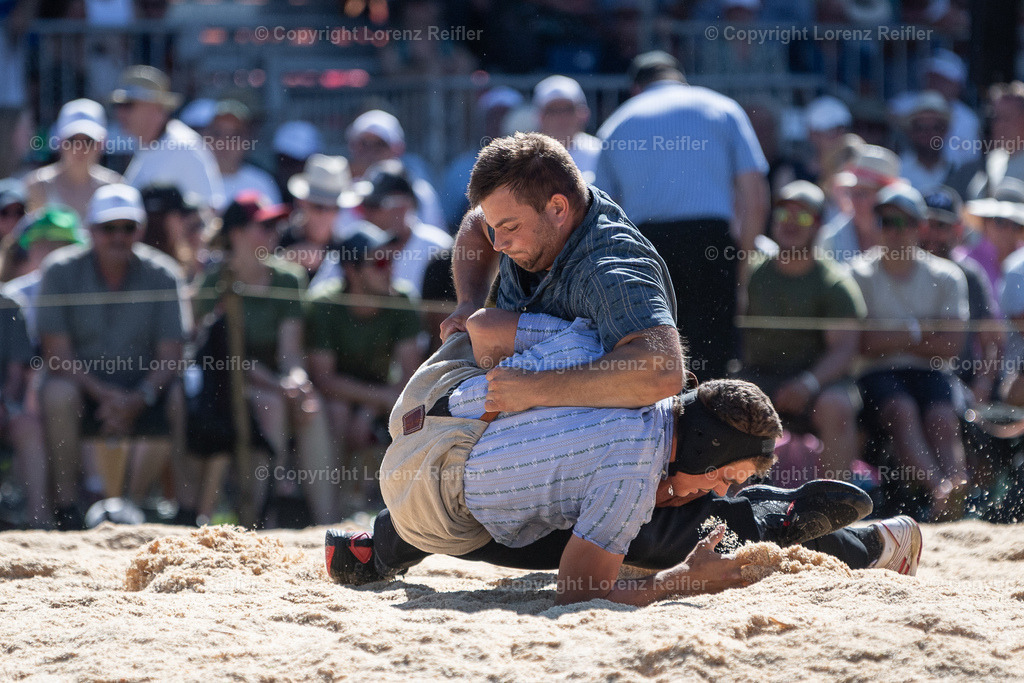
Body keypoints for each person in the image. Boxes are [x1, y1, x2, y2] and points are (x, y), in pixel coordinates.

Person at [325, 312, 924, 605]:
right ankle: (785, 524)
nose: (717, 488)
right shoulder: (632, 471)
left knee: (572, 482)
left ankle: (373, 551)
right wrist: (684, 581)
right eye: (726, 477)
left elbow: (482, 325)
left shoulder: (598, 347)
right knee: (656, 537)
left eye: (732, 483)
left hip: (425, 407)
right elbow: (580, 589)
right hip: (431, 504)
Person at [443, 131, 683, 412]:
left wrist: (534, 389)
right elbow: (476, 224)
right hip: (524, 406)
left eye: (510, 228)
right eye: (496, 228)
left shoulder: (609, 267)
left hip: (601, 438)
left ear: (558, 208)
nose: (499, 244)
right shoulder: (519, 212)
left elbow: (663, 371)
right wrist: (468, 301)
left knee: (489, 328)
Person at [594, 50, 769, 379]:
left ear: (636, 88)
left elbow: (604, 211)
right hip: (711, 245)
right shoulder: (722, 109)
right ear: (680, 77)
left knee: (658, 362)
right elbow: (755, 196)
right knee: (714, 363)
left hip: (648, 250)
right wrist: (740, 265)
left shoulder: (616, 124)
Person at [37, 184, 189, 530]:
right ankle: (66, 510)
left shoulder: (164, 275)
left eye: (128, 227)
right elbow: (55, 354)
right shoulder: (59, 271)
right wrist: (106, 396)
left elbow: (171, 355)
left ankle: (184, 509)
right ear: (90, 231)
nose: (118, 237)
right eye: (109, 228)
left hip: (143, 391)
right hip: (83, 391)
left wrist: (138, 397)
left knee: (178, 395)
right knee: (57, 393)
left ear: (140, 230)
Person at [193, 191, 335, 525]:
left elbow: (290, 352)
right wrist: (278, 384)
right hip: (223, 390)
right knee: (270, 405)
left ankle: (329, 522)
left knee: (310, 407)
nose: (273, 233)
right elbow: (222, 356)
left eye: (274, 226)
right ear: (237, 234)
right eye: (263, 226)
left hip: (271, 384)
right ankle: (258, 519)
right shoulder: (215, 282)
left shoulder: (288, 277)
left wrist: (296, 382)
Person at [849, 182, 972, 521]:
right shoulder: (858, 273)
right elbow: (860, 345)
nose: (894, 231)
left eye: (902, 222)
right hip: (876, 375)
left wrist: (895, 335)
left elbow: (951, 345)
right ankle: (942, 491)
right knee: (901, 410)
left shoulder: (946, 275)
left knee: (942, 418)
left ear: (919, 227)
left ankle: (952, 488)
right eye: (887, 222)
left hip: (928, 371)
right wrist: (921, 332)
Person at [741, 181, 866, 480]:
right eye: (784, 214)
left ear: (819, 225)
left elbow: (844, 351)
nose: (791, 223)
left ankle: (838, 505)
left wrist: (807, 384)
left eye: (803, 216)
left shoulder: (835, 284)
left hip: (817, 383)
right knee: (730, 402)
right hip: (761, 377)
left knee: (836, 406)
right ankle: (735, 506)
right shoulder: (752, 276)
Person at [305, 223, 424, 512]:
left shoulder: (402, 300)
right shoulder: (324, 304)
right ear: (351, 270)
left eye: (392, 260)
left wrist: (372, 408)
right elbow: (324, 380)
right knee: (338, 411)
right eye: (380, 262)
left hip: (383, 398)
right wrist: (379, 400)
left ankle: (389, 513)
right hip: (335, 401)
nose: (390, 269)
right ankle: (332, 512)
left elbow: (413, 379)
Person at [920, 187, 1002, 402]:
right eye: (926, 224)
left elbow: (992, 343)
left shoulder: (971, 276)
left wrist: (982, 386)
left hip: (960, 384)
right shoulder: (900, 272)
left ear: (957, 230)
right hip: (911, 377)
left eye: (941, 226)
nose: (932, 234)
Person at [113, 65, 224, 210]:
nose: (120, 113)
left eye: (128, 105)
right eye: (119, 106)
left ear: (156, 108)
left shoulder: (184, 146)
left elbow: (210, 209)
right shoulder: (145, 144)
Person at [356, 159, 453, 297]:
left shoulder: (440, 248)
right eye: (364, 204)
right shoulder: (355, 243)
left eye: (374, 204)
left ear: (403, 207)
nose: (366, 212)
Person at [24, 98, 122, 221]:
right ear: (59, 142)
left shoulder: (116, 186)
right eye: (72, 141)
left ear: (102, 144)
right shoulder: (37, 186)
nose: (79, 148)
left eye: (88, 141)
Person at [346, 109, 445, 229]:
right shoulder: (341, 192)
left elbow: (433, 236)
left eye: (380, 144)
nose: (370, 151)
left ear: (398, 148)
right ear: (352, 146)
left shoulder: (420, 193)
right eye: (363, 143)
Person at [2, 205, 88, 342]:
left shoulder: (90, 291)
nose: (50, 254)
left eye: (59, 245)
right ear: (30, 250)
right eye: (41, 245)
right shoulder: (12, 294)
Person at [0, 290, 47, 527]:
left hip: (4, 410)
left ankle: (39, 523)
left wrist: (5, 404)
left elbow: (16, 372)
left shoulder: (8, 306)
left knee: (29, 428)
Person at [278, 154, 360, 285]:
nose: (327, 215)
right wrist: (283, 262)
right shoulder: (277, 235)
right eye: (319, 206)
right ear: (302, 202)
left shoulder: (348, 249)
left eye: (335, 207)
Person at [817, 144, 901, 264]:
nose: (854, 200)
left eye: (862, 194)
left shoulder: (905, 234)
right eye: (851, 193)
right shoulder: (830, 239)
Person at [206, 99, 280, 212]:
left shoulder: (262, 184)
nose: (224, 142)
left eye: (233, 136)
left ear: (247, 141)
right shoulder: (189, 177)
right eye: (217, 133)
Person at [532, 75, 601, 183]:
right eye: (553, 111)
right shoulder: (526, 157)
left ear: (583, 114)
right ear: (540, 117)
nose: (561, 117)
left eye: (568, 109)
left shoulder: (600, 152)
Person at [898, 92, 958, 196]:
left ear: (946, 131)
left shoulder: (958, 169)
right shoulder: (898, 171)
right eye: (921, 128)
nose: (928, 134)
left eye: (936, 128)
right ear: (911, 132)